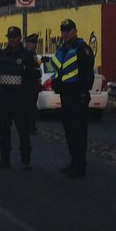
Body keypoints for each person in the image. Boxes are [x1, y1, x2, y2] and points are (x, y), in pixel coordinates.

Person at [0, 26, 41, 170]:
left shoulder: (27, 55)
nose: (12, 40)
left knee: (23, 132)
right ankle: (4, 160)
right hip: (4, 100)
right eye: (10, 37)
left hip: (20, 100)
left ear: (20, 38)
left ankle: (25, 160)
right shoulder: (2, 54)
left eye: (15, 37)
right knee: (4, 132)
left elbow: (37, 73)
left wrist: (26, 71)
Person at [49, 18, 94, 178]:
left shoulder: (82, 49)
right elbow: (55, 69)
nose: (66, 33)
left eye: (69, 30)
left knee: (78, 132)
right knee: (69, 131)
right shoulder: (63, 49)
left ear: (75, 31)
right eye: (63, 31)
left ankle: (80, 165)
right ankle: (74, 162)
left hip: (78, 96)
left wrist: (83, 93)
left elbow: (87, 73)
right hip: (66, 95)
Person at [24, 34, 42, 133]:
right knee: (29, 106)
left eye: (35, 43)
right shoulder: (26, 54)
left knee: (32, 106)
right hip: (28, 85)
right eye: (33, 43)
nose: (35, 45)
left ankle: (31, 125)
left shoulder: (33, 54)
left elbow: (37, 67)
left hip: (34, 84)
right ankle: (29, 126)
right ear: (28, 43)